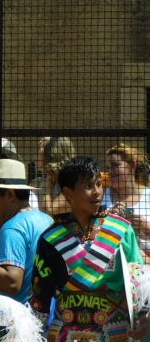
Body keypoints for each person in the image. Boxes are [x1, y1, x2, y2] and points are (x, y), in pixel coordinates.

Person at [29, 156, 150, 342]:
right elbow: (40, 295)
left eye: (99, 184)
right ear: (68, 192)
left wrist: (144, 316)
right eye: (88, 186)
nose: (97, 192)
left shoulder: (121, 229)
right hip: (67, 333)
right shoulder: (50, 238)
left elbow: (139, 280)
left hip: (115, 332)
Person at [0, 158, 52, 303]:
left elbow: (12, 283)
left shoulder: (12, 228)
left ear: (10, 195)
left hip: (19, 321)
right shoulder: (47, 220)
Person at [103, 144, 150, 261]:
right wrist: (107, 218)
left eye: (115, 165)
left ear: (132, 166)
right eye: (108, 167)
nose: (110, 172)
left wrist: (147, 228)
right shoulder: (101, 195)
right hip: (113, 259)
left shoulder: (148, 195)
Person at [30, 137, 76, 215]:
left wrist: (49, 178)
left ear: (53, 155)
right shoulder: (36, 183)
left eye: (41, 149)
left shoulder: (72, 184)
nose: (37, 156)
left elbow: (47, 210)